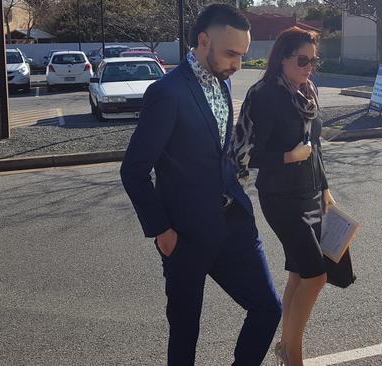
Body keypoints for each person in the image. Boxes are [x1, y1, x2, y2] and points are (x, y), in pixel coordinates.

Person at [120, 4, 281, 365]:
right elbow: (134, 169)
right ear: (203, 41)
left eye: (242, 54)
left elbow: (218, 151)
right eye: (230, 53)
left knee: (268, 308)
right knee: (185, 332)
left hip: (233, 226)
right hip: (185, 236)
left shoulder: (223, 84)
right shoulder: (168, 93)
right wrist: (161, 229)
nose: (237, 64)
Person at [230, 27, 336, 366]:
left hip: (308, 192)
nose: (309, 67)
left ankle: (287, 348)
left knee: (299, 274)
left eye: (313, 61)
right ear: (282, 58)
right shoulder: (264, 94)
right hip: (280, 196)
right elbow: (243, 153)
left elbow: (314, 146)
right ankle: (292, 353)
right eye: (302, 60)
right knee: (316, 276)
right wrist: (286, 157)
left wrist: (325, 189)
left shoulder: (307, 90)